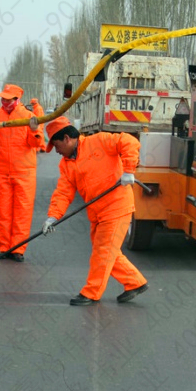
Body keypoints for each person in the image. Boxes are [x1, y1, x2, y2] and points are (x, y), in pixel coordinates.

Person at [39, 116, 148, 306]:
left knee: (103, 252)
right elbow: (63, 192)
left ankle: (91, 292)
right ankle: (135, 282)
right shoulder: (66, 164)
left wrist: (129, 170)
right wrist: (52, 217)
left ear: (67, 138)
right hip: (97, 213)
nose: (56, 151)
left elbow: (129, 141)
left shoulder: (99, 141)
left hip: (116, 206)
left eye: (56, 145)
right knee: (108, 252)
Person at [0, 84, 44, 262]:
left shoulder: (29, 117)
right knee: (2, 212)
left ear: (17, 99)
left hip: (25, 172)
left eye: (8, 99)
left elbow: (36, 144)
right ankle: (4, 248)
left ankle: (18, 249)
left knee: (22, 212)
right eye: (3, 98)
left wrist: (35, 130)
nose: (5, 101)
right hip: (2, 172)